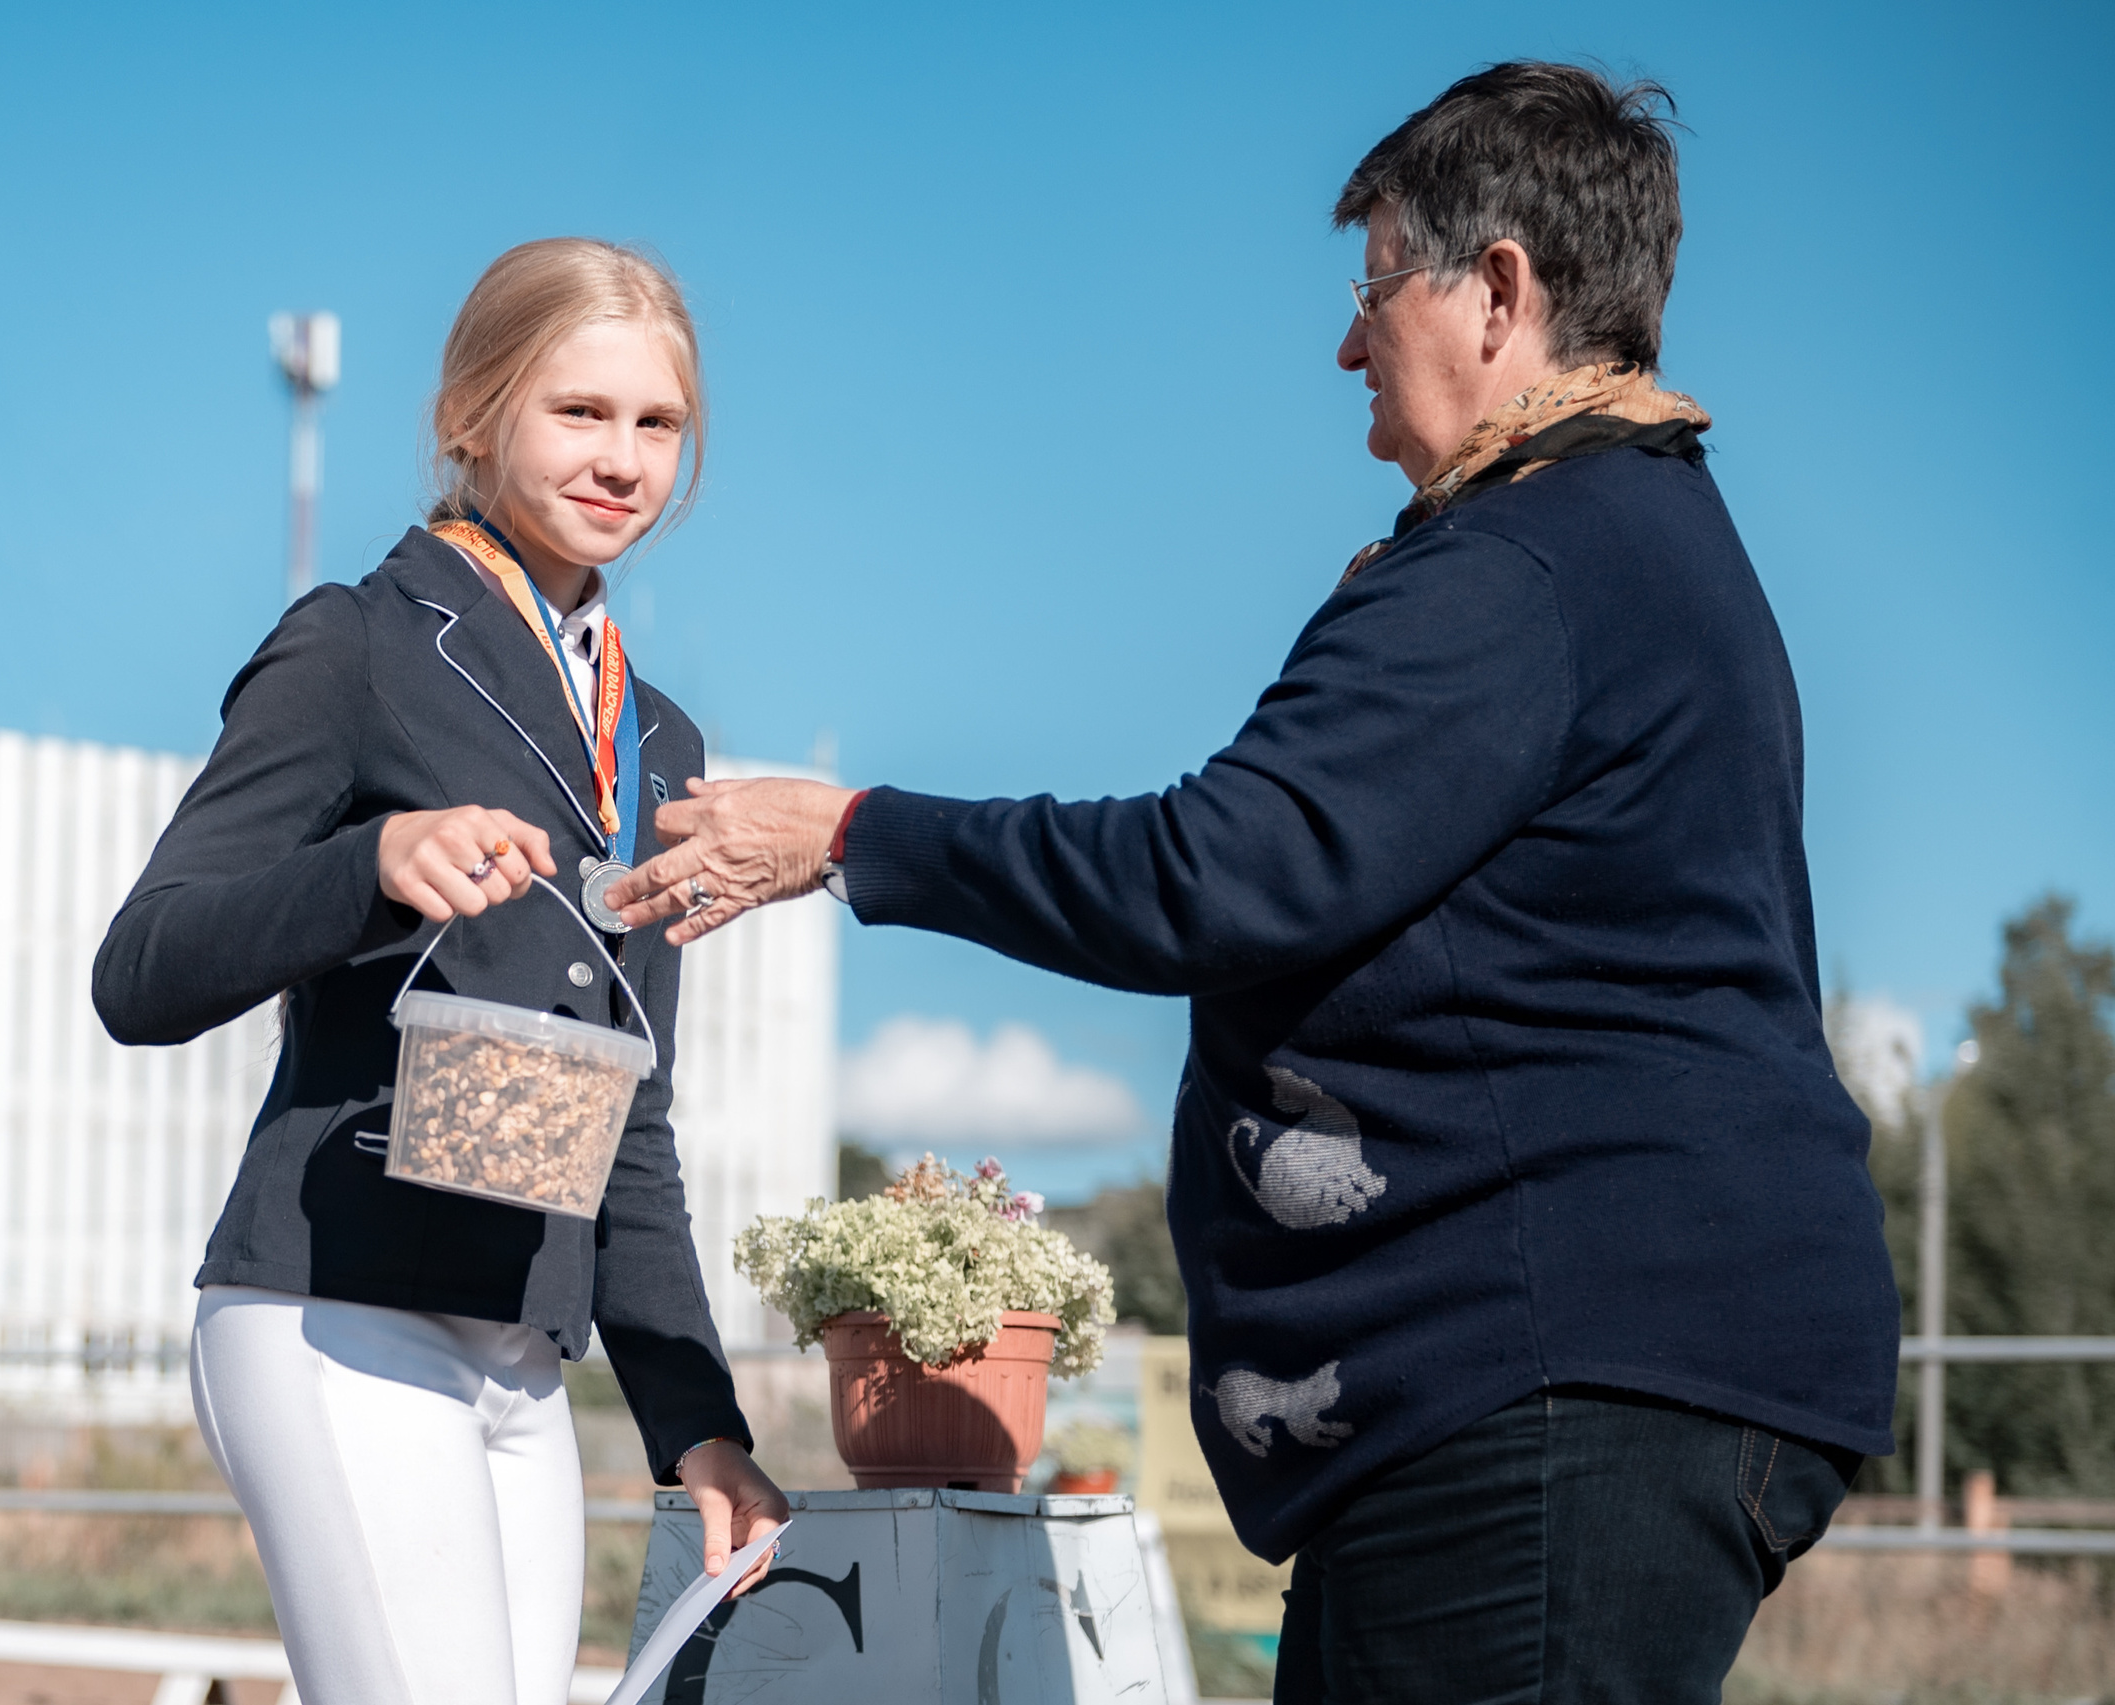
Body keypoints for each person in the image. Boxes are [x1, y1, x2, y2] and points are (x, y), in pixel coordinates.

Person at [610, 64, 1897, 1702]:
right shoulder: (1628, 544)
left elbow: (1216, 868)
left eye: (1375, 289)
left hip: (1552, 1379)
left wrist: (856, 834)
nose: (1350, 345)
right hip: (1541, 1382)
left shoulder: (1525, 562)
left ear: (1499, 291)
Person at [93, 238, 787, 1705]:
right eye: (579, 411)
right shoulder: (354, 643)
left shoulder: (662, 740)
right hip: (338, 1308)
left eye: (658, 423)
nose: (623, 459)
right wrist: (370, 863)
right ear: (471, 413)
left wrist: (696, 1423)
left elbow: (630, 1109)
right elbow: (141, 972)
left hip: (525, 1357)